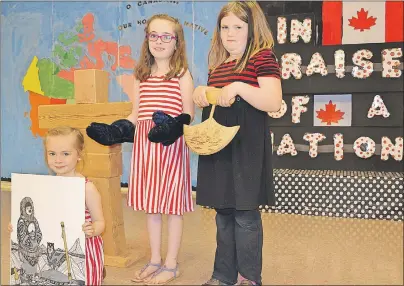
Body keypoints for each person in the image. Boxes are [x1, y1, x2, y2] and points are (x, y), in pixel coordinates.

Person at [86, 14, 194, 285]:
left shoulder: (182, 74)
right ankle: (155, 259)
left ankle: (171, 264)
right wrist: (119, 130)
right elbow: (136, 115)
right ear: (147, 40)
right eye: (153, 35)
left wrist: (174, 127)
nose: (159, 41)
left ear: (176, 42)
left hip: (170, 148)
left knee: (172, 207)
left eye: (166, 36)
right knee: (152, 206)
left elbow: (188, 114)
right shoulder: (141, 76)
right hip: (146, 149)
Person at [192, 2, 282, 285]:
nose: (229, 34)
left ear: (253, 29)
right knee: (223, 214)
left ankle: (249, 277)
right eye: (224, 27)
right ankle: (223, 275)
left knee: (245, 215)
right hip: (220, 146)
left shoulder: (262, 58)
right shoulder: (219, 65)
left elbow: (273, 101)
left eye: (238, 28)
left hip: (246, 148)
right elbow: (217, 102)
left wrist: (241, 87)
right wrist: (202, 93)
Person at [9, 126, 106, 286]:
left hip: (85, 247)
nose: (58, 160)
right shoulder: (43, 187)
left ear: (79, 155)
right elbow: (36, 218)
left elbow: (100, 222)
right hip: (54, 243)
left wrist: (93, 229)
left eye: (65, 154)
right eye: (52, 153)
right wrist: (17, 228)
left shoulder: (87, 188)